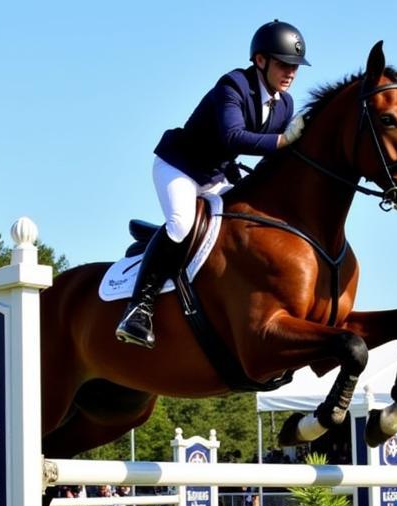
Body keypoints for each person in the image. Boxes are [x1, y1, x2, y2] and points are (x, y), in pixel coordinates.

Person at [116, 20, 311, 349]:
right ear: (260, 61)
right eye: (283, 64)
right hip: (178, 167)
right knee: (181, 224)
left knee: (245, 224)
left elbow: (268, 158)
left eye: (294, 66)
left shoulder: (285, 104)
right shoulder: (233, 85)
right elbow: (232, 136)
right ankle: (139, 309)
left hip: (216, 174)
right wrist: (283, 140)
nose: (290, 72)